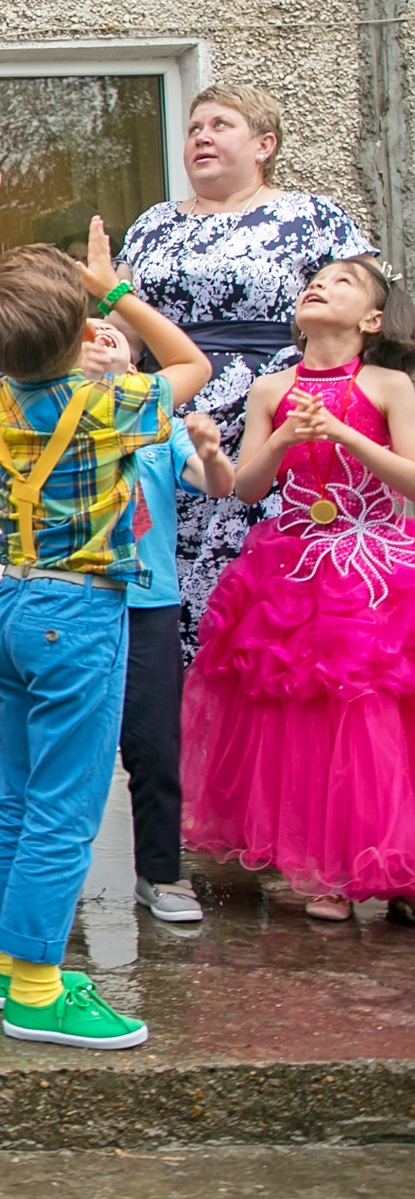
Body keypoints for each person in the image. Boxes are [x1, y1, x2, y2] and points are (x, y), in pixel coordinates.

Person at [0, 141, 208, 1049]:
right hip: (78, 613)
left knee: (20, 792)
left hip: (11, 609)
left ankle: (0, 960)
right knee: (65, 802)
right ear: (77, 338)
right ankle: (35, 986)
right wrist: (114, 292)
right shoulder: (109, 407)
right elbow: (195, 366)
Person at [182, 254, 415, 919]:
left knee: (376, 716)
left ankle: (394, 862)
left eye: (344, 282)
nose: (321, 285)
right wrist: (283, 434)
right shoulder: (270, 387)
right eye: (316, 280)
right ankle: (330, 866)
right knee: (308, 718)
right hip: (294, 566)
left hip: (378, 564)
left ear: (371, 319)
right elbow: (249, 487)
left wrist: (342, 430)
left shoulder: (389, 383)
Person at [118, 82, 374, 653]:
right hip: (174, 424)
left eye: (219, 125)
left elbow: (362, 311)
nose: (201, 137)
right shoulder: (152, 224)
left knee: (271, 594)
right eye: (193, 129)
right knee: (172, 583)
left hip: (283, 415)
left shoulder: (312, 217)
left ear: (264, 145)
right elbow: (130, 337)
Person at [76, 311, 235, 924]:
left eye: (113, 332)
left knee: (154, 745)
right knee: (77, 745)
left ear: (139, 363)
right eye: (87, 333)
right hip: (81, 596)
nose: (102, 335)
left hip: (150, 602)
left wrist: (212, 451)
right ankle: (64, 873)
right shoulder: (57, 413)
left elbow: (214, 484)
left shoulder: (160, 420)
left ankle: (162, 873)